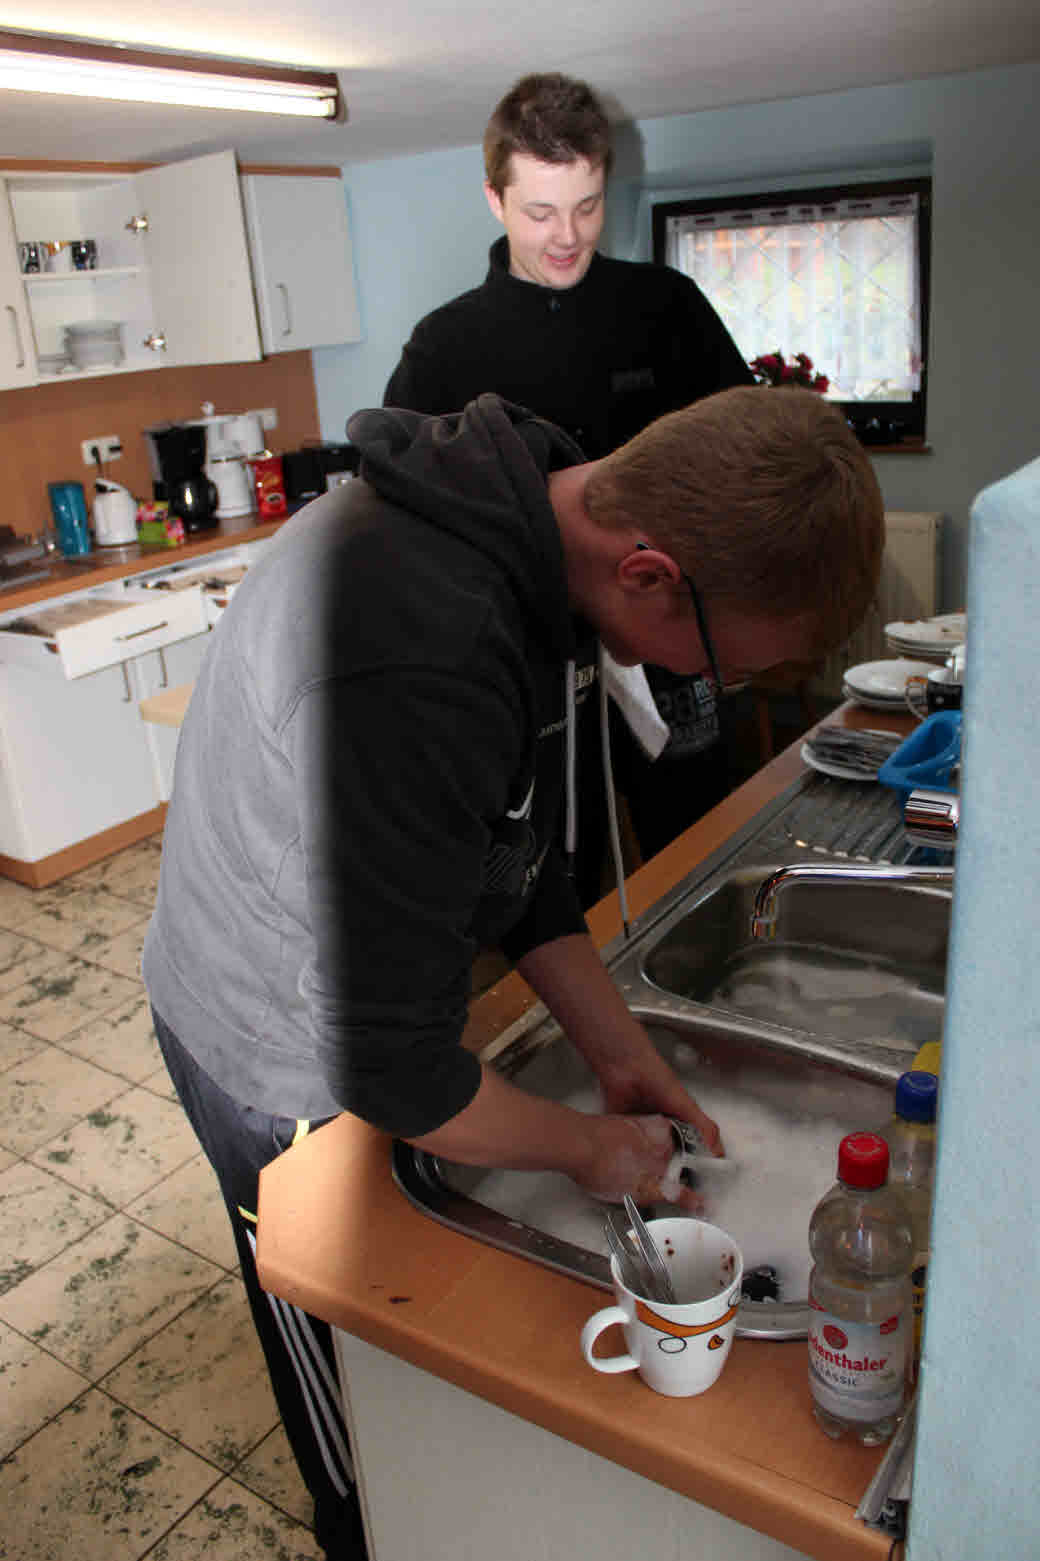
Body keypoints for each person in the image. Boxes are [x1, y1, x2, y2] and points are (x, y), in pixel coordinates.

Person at [142, 385, 883, 1558]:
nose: (716, 691)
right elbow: (390, 1070)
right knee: (350, 1364)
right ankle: (356, 1528)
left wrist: (616, 1050)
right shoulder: (420, 644)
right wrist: (588, 1147)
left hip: (358, 991)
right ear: (648, 573)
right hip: (264, 1034)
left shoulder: (531, 528)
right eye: (724, 667)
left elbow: (515, 856)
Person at [385, 72, 756, 901]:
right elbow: (400, 517)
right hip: (531, 663)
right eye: (541, 212)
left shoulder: (667, 308)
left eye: (587, 207)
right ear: (494, 199)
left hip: (667, 637)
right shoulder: (444, 348)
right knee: (555, 875)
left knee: (702, 845)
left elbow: (745, 447)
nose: (567, 236)